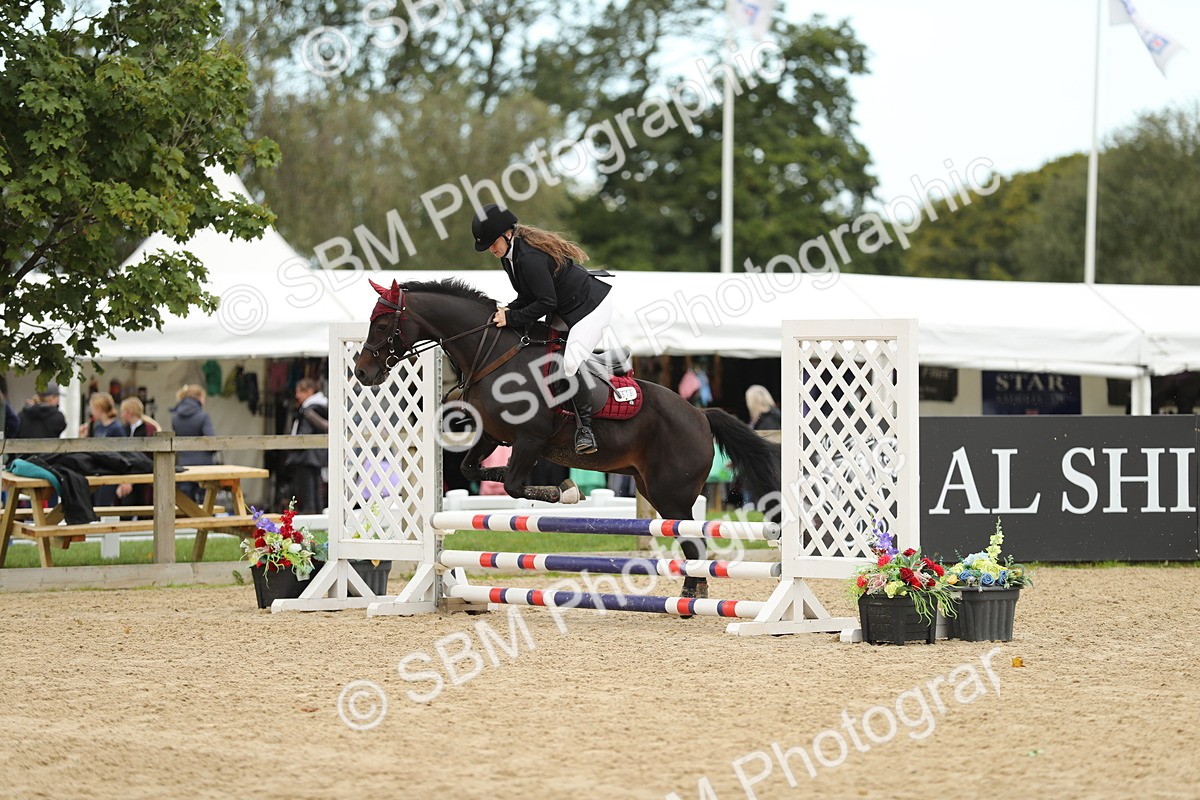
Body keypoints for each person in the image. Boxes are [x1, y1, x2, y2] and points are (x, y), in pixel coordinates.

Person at [471, 203, 613, 456]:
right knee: (538, 349)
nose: (491, 249)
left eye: (493, 243)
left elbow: (547, 302)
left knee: (569, 364)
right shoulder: (509, 258)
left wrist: (512, 317)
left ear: (507, 233)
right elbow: (527, 296)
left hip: (590, 309)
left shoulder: (529, 257)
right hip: (565, 309)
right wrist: (504, 311)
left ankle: (585, 430)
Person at [289, 378, 329, 514]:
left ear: (309, 391)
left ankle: (311, 517)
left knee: (308, 493)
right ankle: (318, 519)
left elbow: (302, 435)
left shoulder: (308, 410)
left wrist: (293, 450)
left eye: (299, 391)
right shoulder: (323, 407)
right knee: (317, 491)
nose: (297, 396)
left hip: (305, 457)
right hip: (318, 456)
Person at [171, 384, 215, 503]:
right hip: (204, 465)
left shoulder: (175, 418)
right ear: (199, 397)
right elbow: (211, 441)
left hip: (183, 464)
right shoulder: (203, 416)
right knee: (205, 503)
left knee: (186, 504)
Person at [79, 392, 125, 505]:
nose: (91, 412)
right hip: (98, 472)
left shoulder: (117, 428)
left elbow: (124, 453)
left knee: (105, 505)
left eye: (92, 408)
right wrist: (83, 437)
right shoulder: (97, 427)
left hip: (111, 473)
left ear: (99, 409)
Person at [115, 398, 159, 506]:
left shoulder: (149, 429)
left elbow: (147, 455)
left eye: (123, 411)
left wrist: (131, 479)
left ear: (129, 412)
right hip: (126, 472)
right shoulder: (124, 429)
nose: (121, 415)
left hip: (145, 472)